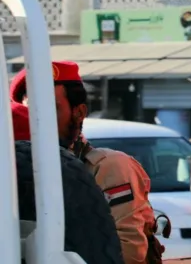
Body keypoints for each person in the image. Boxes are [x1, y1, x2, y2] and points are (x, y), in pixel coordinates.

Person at [10, 62, 164, 263]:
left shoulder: (106, 167)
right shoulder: (16, 171)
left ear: (79, 113)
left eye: (50, 110)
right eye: (29, 112)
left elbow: (128, 253)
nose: (38, 122)